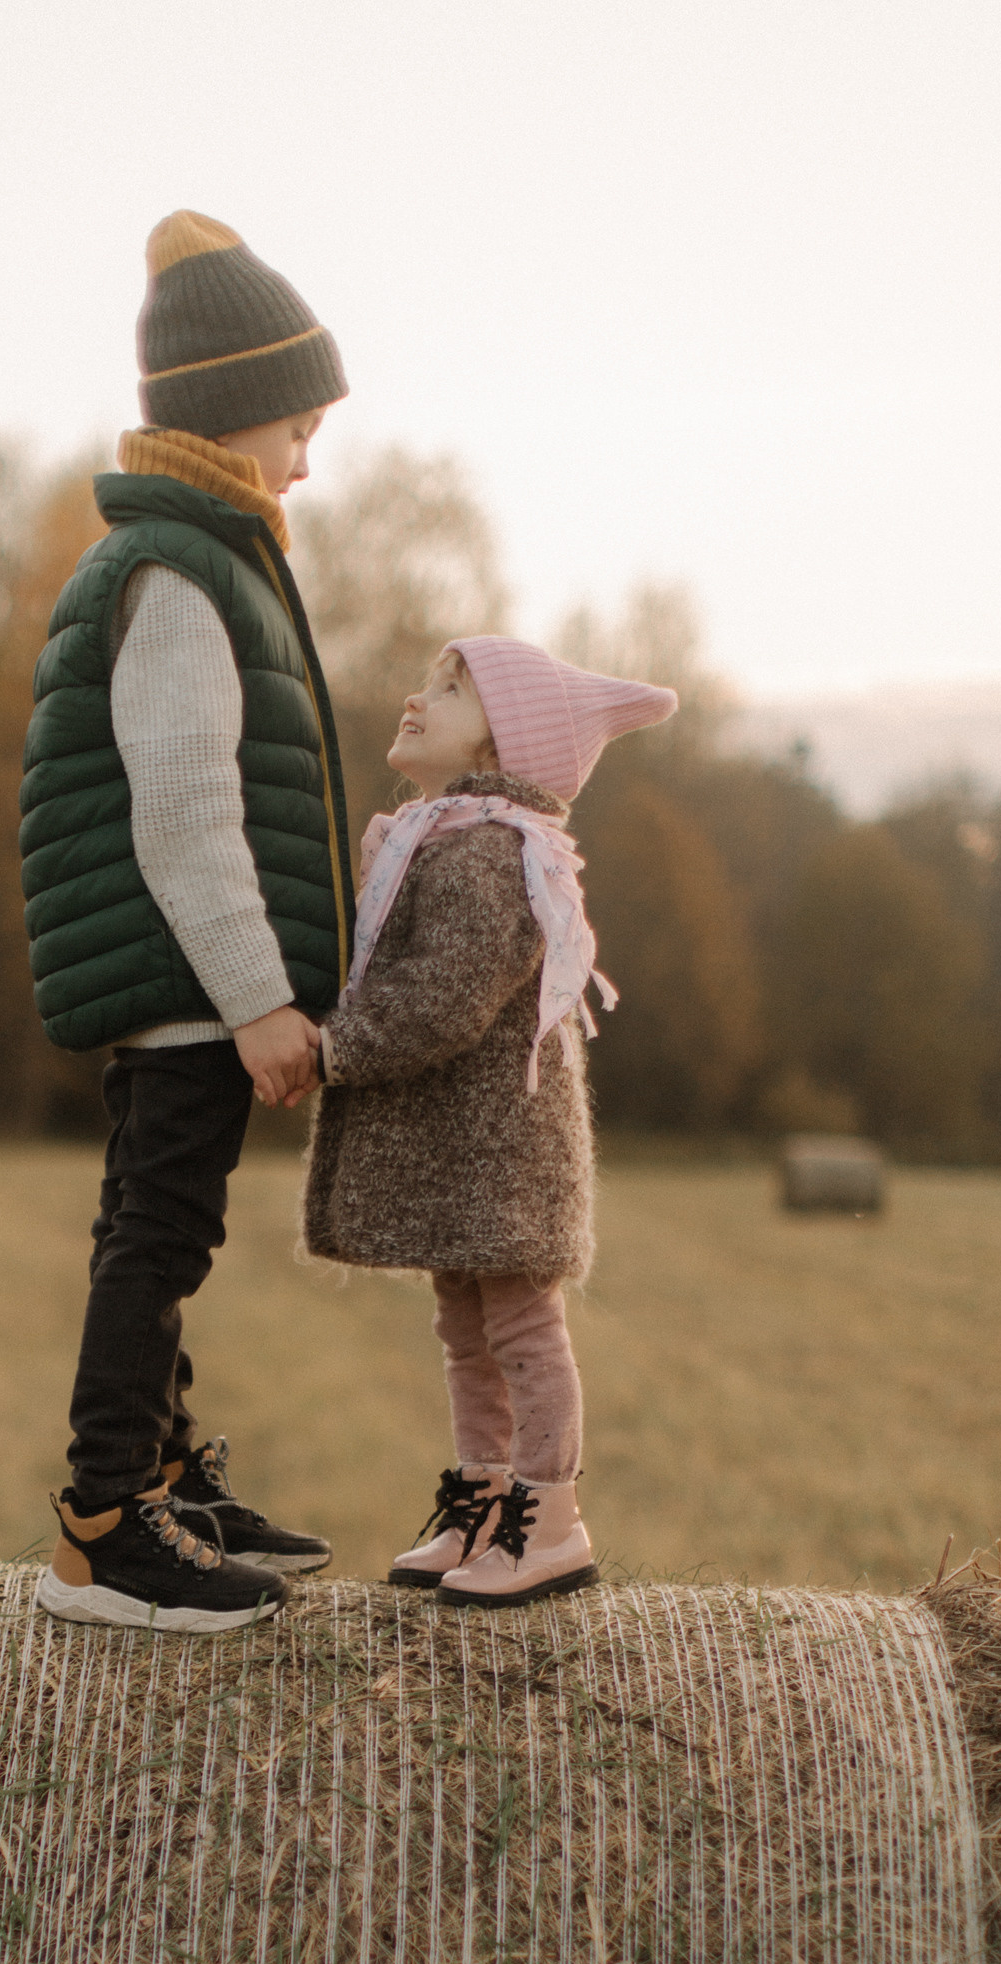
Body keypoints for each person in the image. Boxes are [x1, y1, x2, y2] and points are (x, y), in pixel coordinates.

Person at [21, 211, 354, 1633]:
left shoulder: (205, 557)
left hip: (188, 981)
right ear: (231, 414)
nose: (309, 452)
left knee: (164, 1226)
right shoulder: (175, 573)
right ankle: (105, 1521)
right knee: (158, 1235)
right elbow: (182, 812)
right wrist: (259, 995)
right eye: (298, 420)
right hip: (190, 982)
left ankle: (159, 1476)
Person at [301, 638, 677, 1606]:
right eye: (426, 681)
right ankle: (482, 1498)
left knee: (517, 1326)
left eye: (447, 690)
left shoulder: (489, 848)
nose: (415, 699)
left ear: (506, 741)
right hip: (464, 1145)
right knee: (464, 1329)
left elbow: (445, 996)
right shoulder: (441, 836)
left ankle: (549, 1517)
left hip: (500, 1150)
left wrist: (330, 1046)